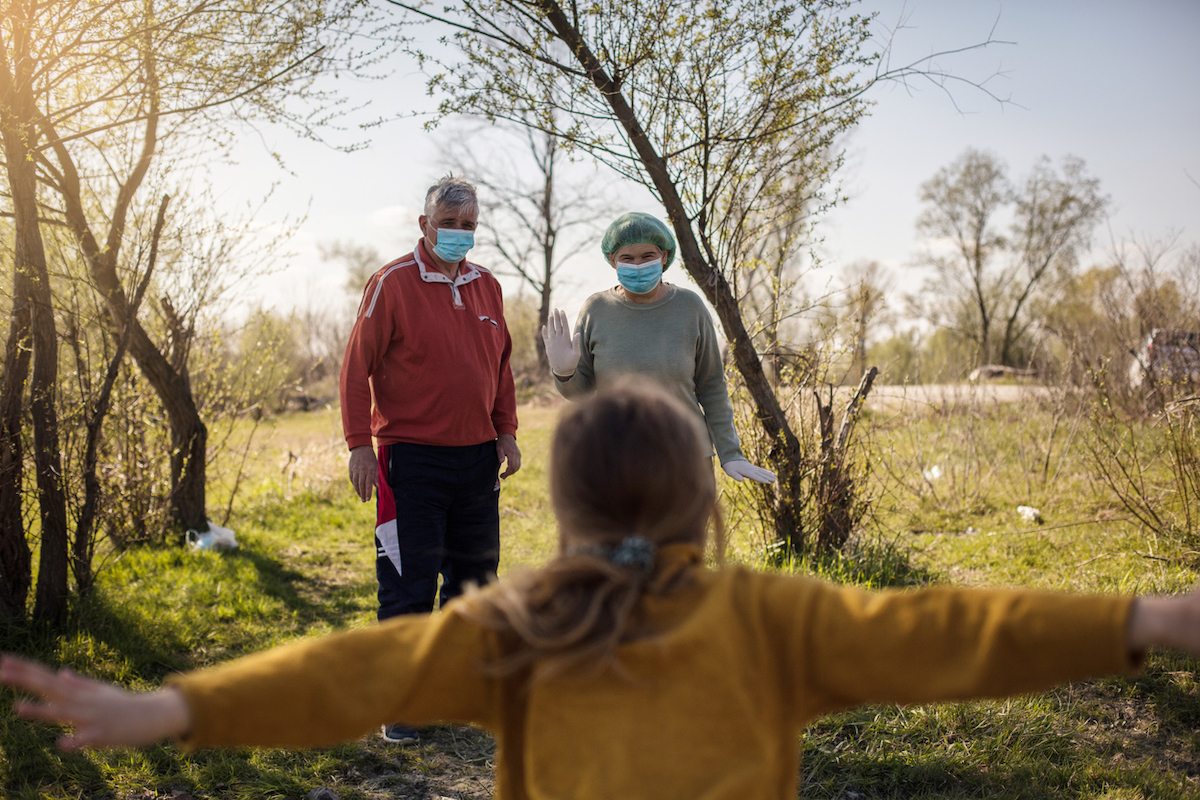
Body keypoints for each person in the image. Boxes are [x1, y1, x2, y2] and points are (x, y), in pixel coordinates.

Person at [5, 379, 1200, 800]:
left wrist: (170, 708)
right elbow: (948, 628)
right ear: (702, 501)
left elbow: (353, 670)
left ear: (566, 512)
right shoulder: (773, 616)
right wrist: (1143, 618)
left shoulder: (519, 624)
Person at [339, 174, 521, 744]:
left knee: (474, 581)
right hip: (409, 461)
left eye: (469, 226)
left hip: (476, 462)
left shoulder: (488, 286)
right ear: (425, 225)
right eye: (450, 224)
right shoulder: (390, 282)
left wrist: (507, 434)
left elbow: (501, 369)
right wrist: (358, 446)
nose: (460, 235)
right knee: (407, 579)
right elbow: (354, 369)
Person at [541, 211, 775, 484]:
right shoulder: (596, 310)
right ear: (611, 260)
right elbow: (581, 393)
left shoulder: (690, 308)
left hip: (686, 458)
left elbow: (712, 386)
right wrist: (564, 372)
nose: (638, 265)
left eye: (648, 256)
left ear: (664, 257)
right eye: (627, 258)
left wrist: (730, 453)